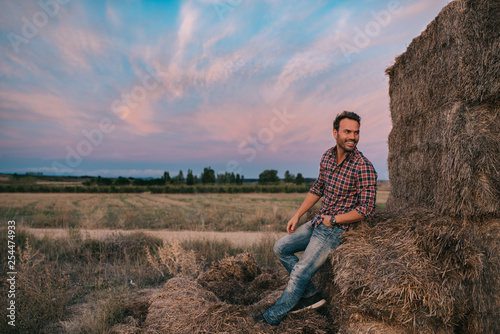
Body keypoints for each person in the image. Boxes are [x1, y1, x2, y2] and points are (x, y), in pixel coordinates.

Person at [254, 111, 377, 326]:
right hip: (319, 221)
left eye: (356, 133)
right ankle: (310, 295)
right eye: (347, 131)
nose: (353, 137)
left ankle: (271, 318)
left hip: (335, 229)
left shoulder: (363, 166)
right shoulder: (327, 156)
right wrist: (297, 215)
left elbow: (366, 209)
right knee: (280, 248)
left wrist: (335, 220)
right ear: (335, 133)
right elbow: (318, 188)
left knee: (300, 272)